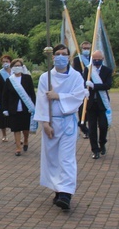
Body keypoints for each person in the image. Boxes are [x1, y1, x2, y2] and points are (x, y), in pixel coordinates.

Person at [34, 44, 88, 210]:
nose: (60, 56)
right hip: (51, 122)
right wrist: (45, 123)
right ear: (53, 57)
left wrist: (58, 96)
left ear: (69, 57)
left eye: (64, 54)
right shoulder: (46, 77)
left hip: (67, 122)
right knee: (53, 158)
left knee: (66, 158)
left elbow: (79, 96)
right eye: (57, 54)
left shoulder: (76, 77)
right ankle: (58, 188)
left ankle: (66, 193)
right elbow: (42, 101)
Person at [1, 58, 36, 156]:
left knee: (25, 128)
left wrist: (33, 105)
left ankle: (25, 140)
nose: (17, 67)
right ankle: (18, 148)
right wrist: (5, 109)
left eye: (19, 65)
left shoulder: (27, 78)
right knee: (16, 128)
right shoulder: (9, 80)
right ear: (12, 68)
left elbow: (32, 93)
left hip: (26, 107)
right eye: (15, 66)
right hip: (14, 108)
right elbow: (5, 96)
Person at [84, 49, 113, 159]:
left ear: (102, 59)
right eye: (94, 59)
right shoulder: (88, 70)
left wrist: (94, 86)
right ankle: (95, 150)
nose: (96, 61)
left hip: (102, 104)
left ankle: (102, 143)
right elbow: (83, 83)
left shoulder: (107, 71)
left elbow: (107, 85)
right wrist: (85, 88)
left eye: (98, 59)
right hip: (91, 103)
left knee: (103, 125)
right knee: (92, 128)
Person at [72, 41, 92, 138]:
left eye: (88, 48)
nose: (86, 50)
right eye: (84, 48)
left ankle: (87, 125)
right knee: (82, 108)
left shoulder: (92, 59)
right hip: (81, 86)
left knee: (89, 107)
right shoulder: (78, 59)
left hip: (91, 86)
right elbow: (76, 72)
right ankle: (83, 127)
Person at [0, 55, 12, 142]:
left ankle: (17, 136)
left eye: (7, 61)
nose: (5, 63)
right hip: (3, 98)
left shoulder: (14, 72)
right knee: (2, 118)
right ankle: (4, 135)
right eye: (3, 61)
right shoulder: (0, 73)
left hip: (13, 98)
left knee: (14, 118)